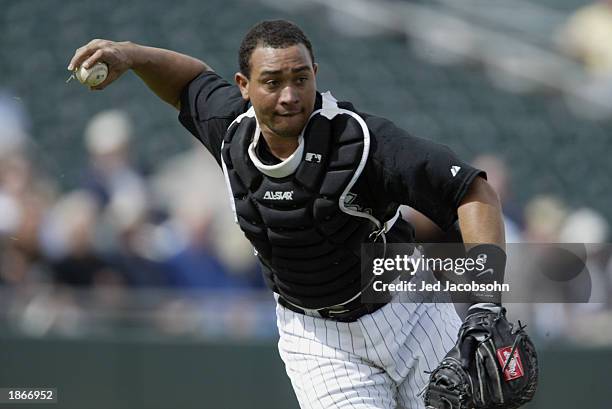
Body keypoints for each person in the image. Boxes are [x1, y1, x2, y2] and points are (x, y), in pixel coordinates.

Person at [68, 20, 508, 409]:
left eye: (300, 78)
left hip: (410, 312)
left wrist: (486, 305)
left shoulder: (365, 144)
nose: (289, 95)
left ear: (316, 75)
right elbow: (188, 82)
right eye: (272, 81)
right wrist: (130, 53)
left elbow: (470, 190)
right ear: (244, 84)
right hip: (319, 340)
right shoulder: (230, 130)